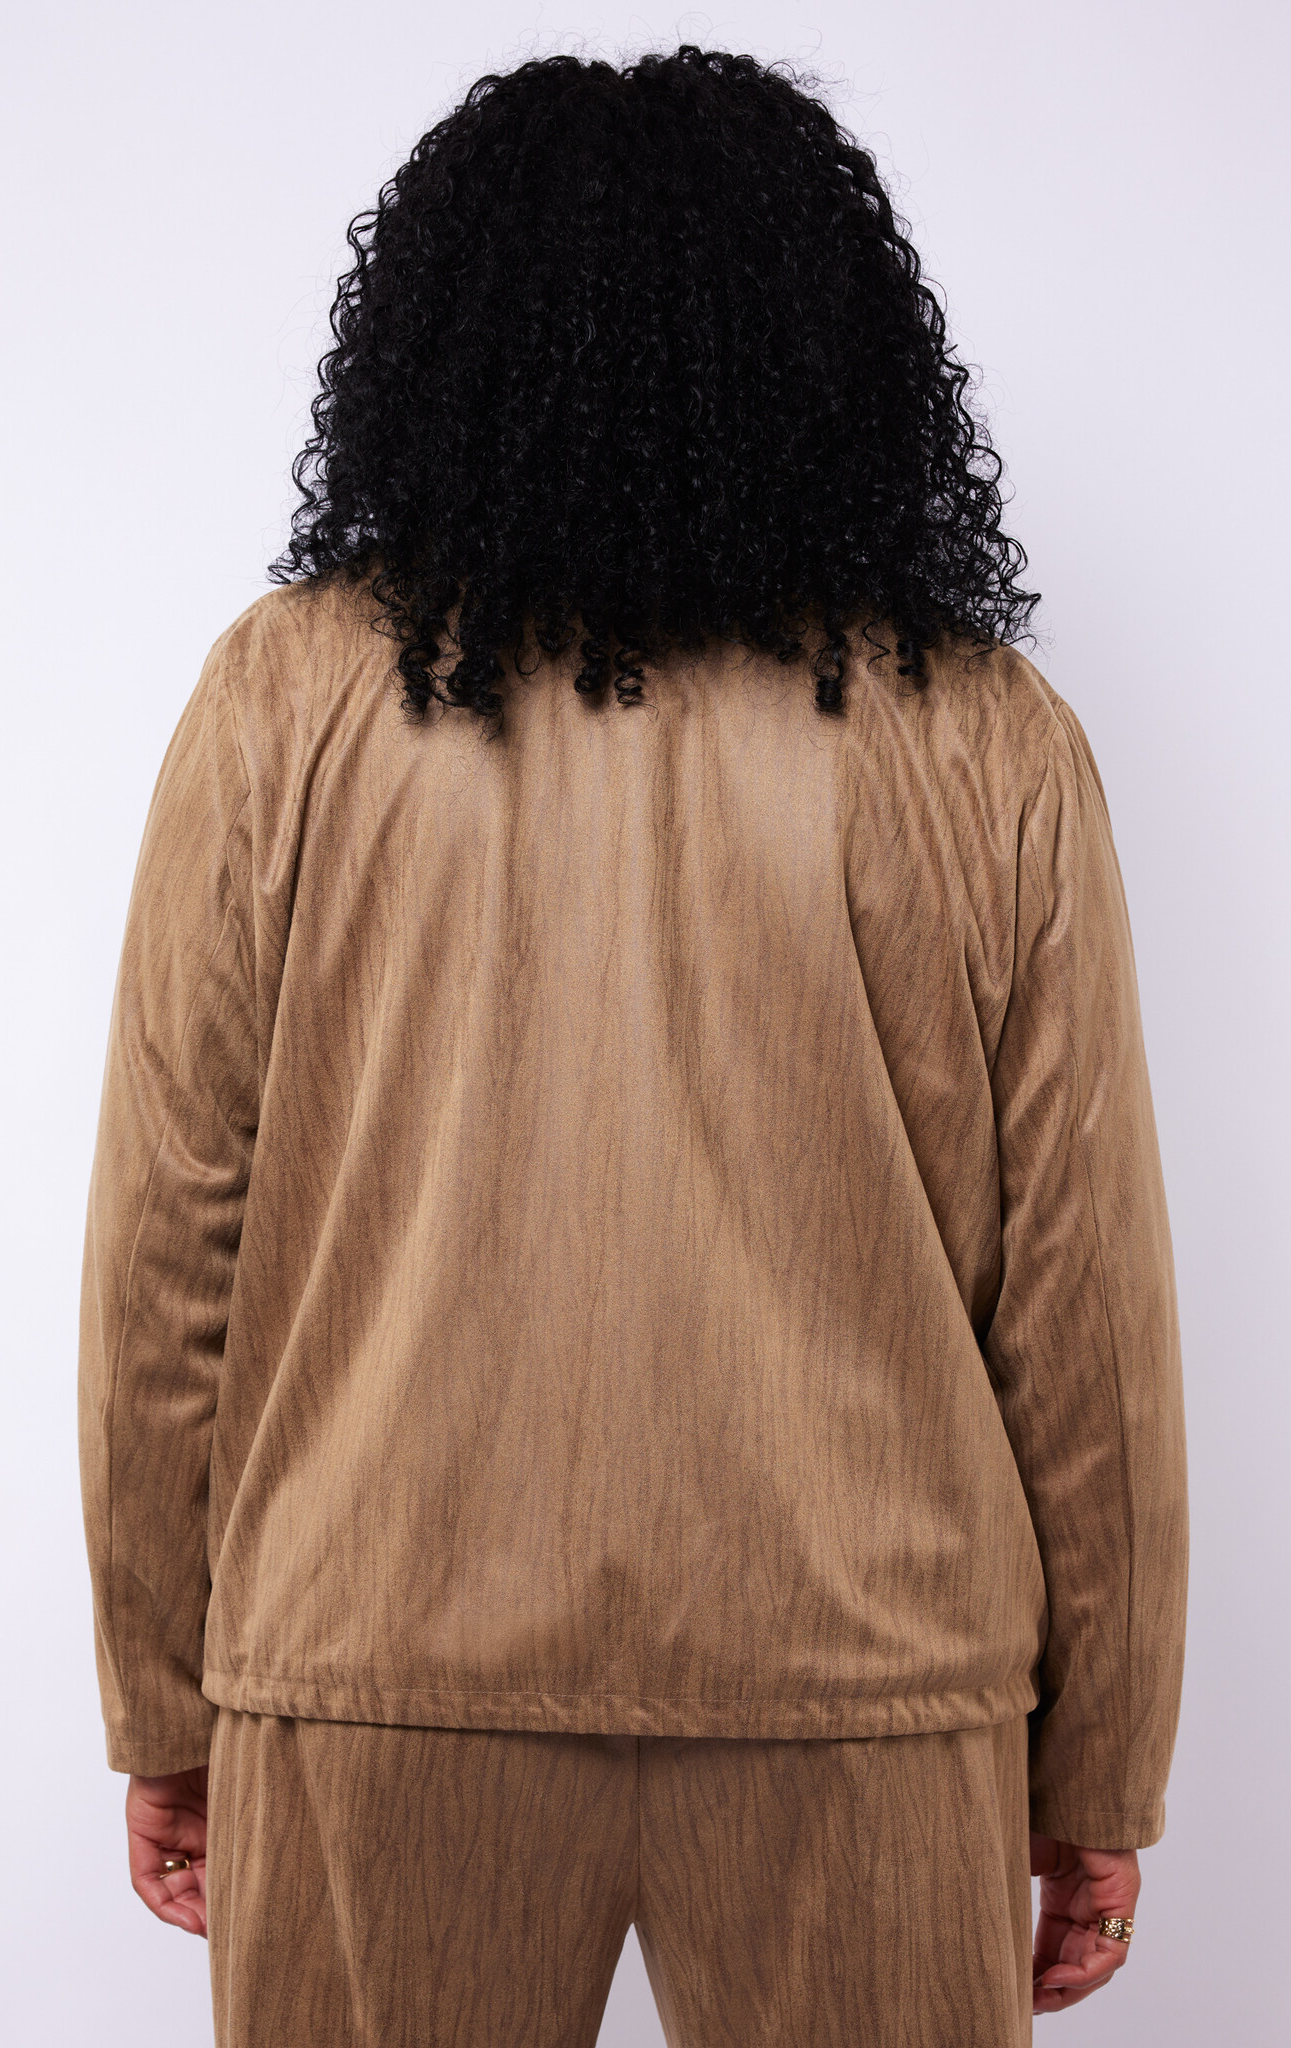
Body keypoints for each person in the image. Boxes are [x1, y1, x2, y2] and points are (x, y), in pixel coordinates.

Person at [78, 45, 1188, 2048]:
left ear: (436, 338)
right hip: (868, 1679)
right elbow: (1083, 1308)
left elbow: (168, 1250)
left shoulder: (281, 706)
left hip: (373, 1660)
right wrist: (1097, 1759)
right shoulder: (984, 738)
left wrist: (166, 1695)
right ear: (832, 348)